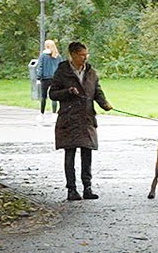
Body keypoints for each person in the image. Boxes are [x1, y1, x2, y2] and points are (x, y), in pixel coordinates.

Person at [47, 41, 113, 201]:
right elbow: (52, 94)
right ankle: (71, 189)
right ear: (73, 55)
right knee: (70, 154)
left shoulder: (91, 72)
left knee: (87, 152)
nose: (85, 58)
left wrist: (104, 104)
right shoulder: (62, 71)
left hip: (86, 118)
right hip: (69, 119)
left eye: (86, 54)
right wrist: (68, 92)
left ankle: (87, 188)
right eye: (81, 55)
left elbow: (97, 91)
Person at [34, 39, 62, 113]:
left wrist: (38, 78)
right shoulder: (58, 56)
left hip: (45, 78)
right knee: (54, 97)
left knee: (43, 96)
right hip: (55, 78)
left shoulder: (43, 56)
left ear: (46, 46)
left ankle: (42, 113)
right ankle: (54, 113)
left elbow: (40, 66)